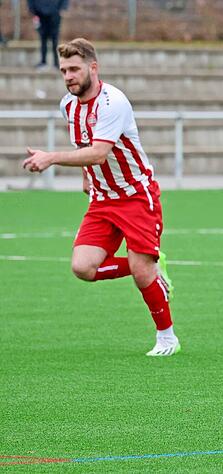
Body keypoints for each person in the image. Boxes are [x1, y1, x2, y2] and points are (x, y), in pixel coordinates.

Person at [22, 38, 179, 357]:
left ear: (93, 68)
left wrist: (51, 157)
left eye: (74, 69)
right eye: (64, 70)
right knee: (83, 268)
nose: (68, 76)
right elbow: (84, 144)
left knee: (141, 272)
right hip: (102, 200)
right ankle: (148, 266)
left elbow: (98, 152)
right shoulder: (67, 105)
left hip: (136, 196)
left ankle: (167, 338)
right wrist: (86, 179)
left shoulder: (112, 102)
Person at [28, 0, 68, 69]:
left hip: (55, 13)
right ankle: (43, 62)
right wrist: (32, 9)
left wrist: (63, 8)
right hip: (40, 13)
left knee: (55, 40)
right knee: (43, 39)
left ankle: (56, 63)